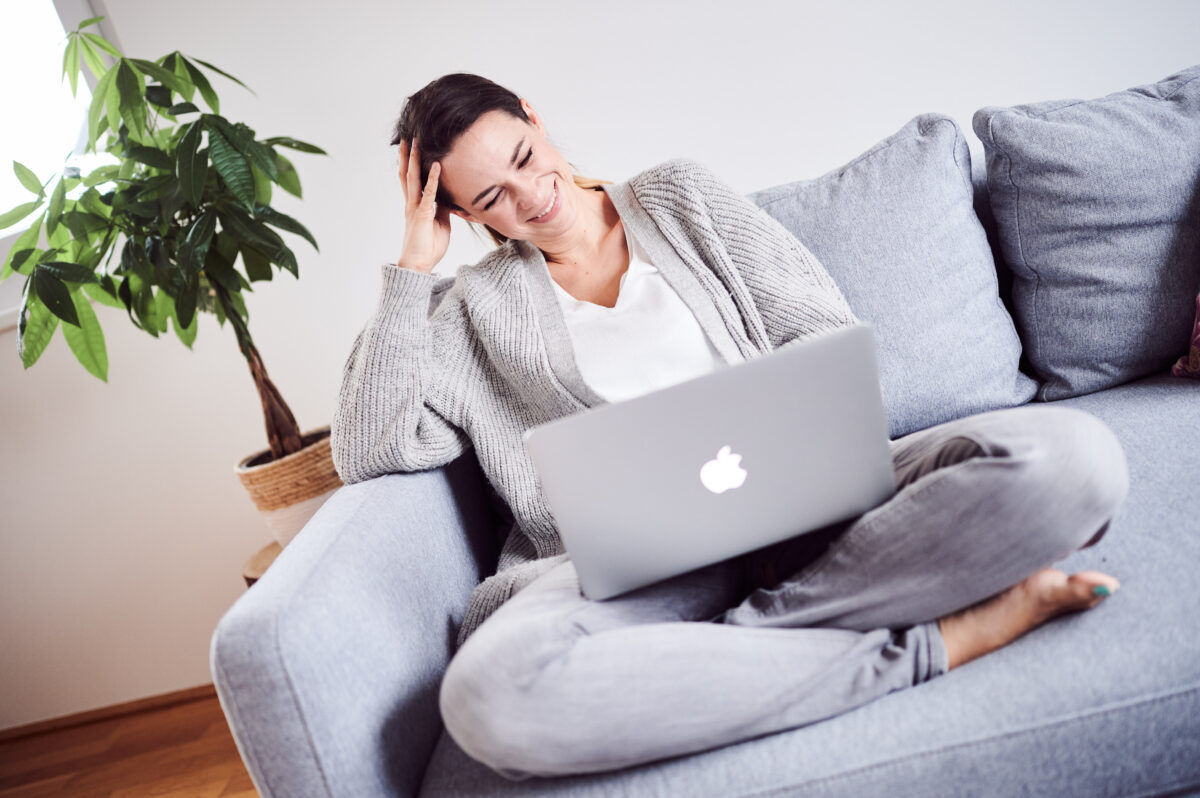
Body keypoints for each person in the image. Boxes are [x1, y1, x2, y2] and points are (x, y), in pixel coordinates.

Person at [330, 72, 1130, 781]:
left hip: (815, 510)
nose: (532, 194)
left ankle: (737, 645)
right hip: (629, 577)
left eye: (522, 157)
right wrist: (410, 269)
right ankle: (931, 645)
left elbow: (823, 333)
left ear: (534, 118)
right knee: (490, 700)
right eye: (492, 199)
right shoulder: (474, 310)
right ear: (462, 215)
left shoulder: (680, 197)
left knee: (1074, 463)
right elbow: (369, 448)